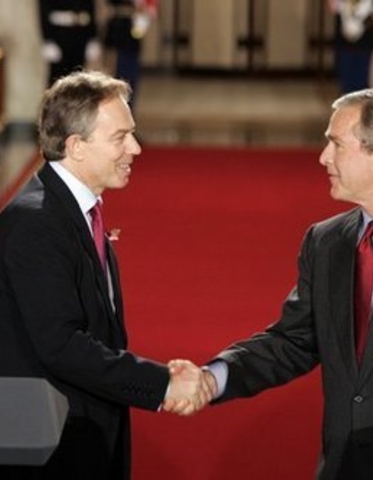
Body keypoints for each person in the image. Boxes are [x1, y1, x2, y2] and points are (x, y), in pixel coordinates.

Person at [166, 89, 373, 479]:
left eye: (335, 144)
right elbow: (293, 341)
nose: (322, 157)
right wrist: (214, 378)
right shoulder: (326, 241)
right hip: (342, 463)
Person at [0, 70, 213, 480]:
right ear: (76, 146)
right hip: (51, 448)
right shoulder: (35, 224)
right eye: (120, 137)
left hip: (84, 432)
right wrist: (162, 383)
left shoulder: (73, 211)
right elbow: (61, 345)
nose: (134, 148)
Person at [104, 0, 157, 110]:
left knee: (129, 73)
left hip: (132, 27)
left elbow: (148, 7)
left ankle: (127, 107)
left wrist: (142, 23)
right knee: (110, 72)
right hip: (114, 26)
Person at [328, 0, 373, 93]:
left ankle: (361, 106)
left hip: (365, 38)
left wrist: (372, 18)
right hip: (344, 38)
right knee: (346, 81)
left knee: (362, 83)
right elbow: (334, 7)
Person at [38, 0, 103, 86]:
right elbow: (44, 13)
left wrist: (92, 38)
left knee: (78, 77)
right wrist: (48, 40)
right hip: (59, 37)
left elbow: (90, 10)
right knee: (57, 78)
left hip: (81, 36)